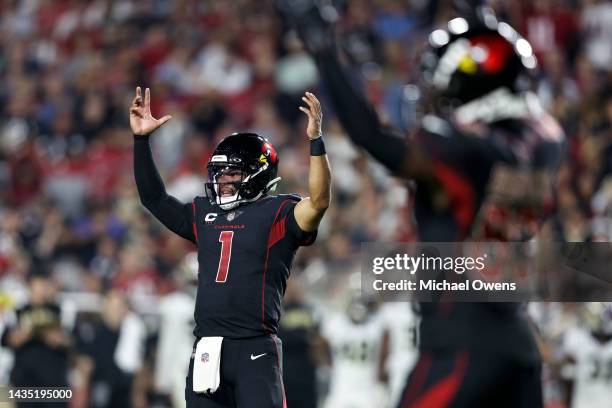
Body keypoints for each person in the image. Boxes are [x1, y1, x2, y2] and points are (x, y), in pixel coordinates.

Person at [277, 2, 564, 407]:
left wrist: (324, 48)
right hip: (518, 344)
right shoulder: (544, 142)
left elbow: (370, 136)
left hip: (462, 345)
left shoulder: (461, 152)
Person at [129, 86, 331, 408]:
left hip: (256, 347)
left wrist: (316, 141)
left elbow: (319, 201)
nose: (222, 181)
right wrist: (141, 142)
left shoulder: (277, 212)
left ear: (259, 173)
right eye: (219, 174)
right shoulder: (204, 213)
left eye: (232, 173)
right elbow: (153, 198)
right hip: (207, 348)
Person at [1, 270, 72, 408]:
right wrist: (24, 333)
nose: (42, 289)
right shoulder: (17, 311)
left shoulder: (61, 310)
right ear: (29, 286)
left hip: (54, 382)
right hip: (25, 381)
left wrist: (57, 339)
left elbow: (71, 341)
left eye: (45, 284)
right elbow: (7, 339)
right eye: (38, 284)